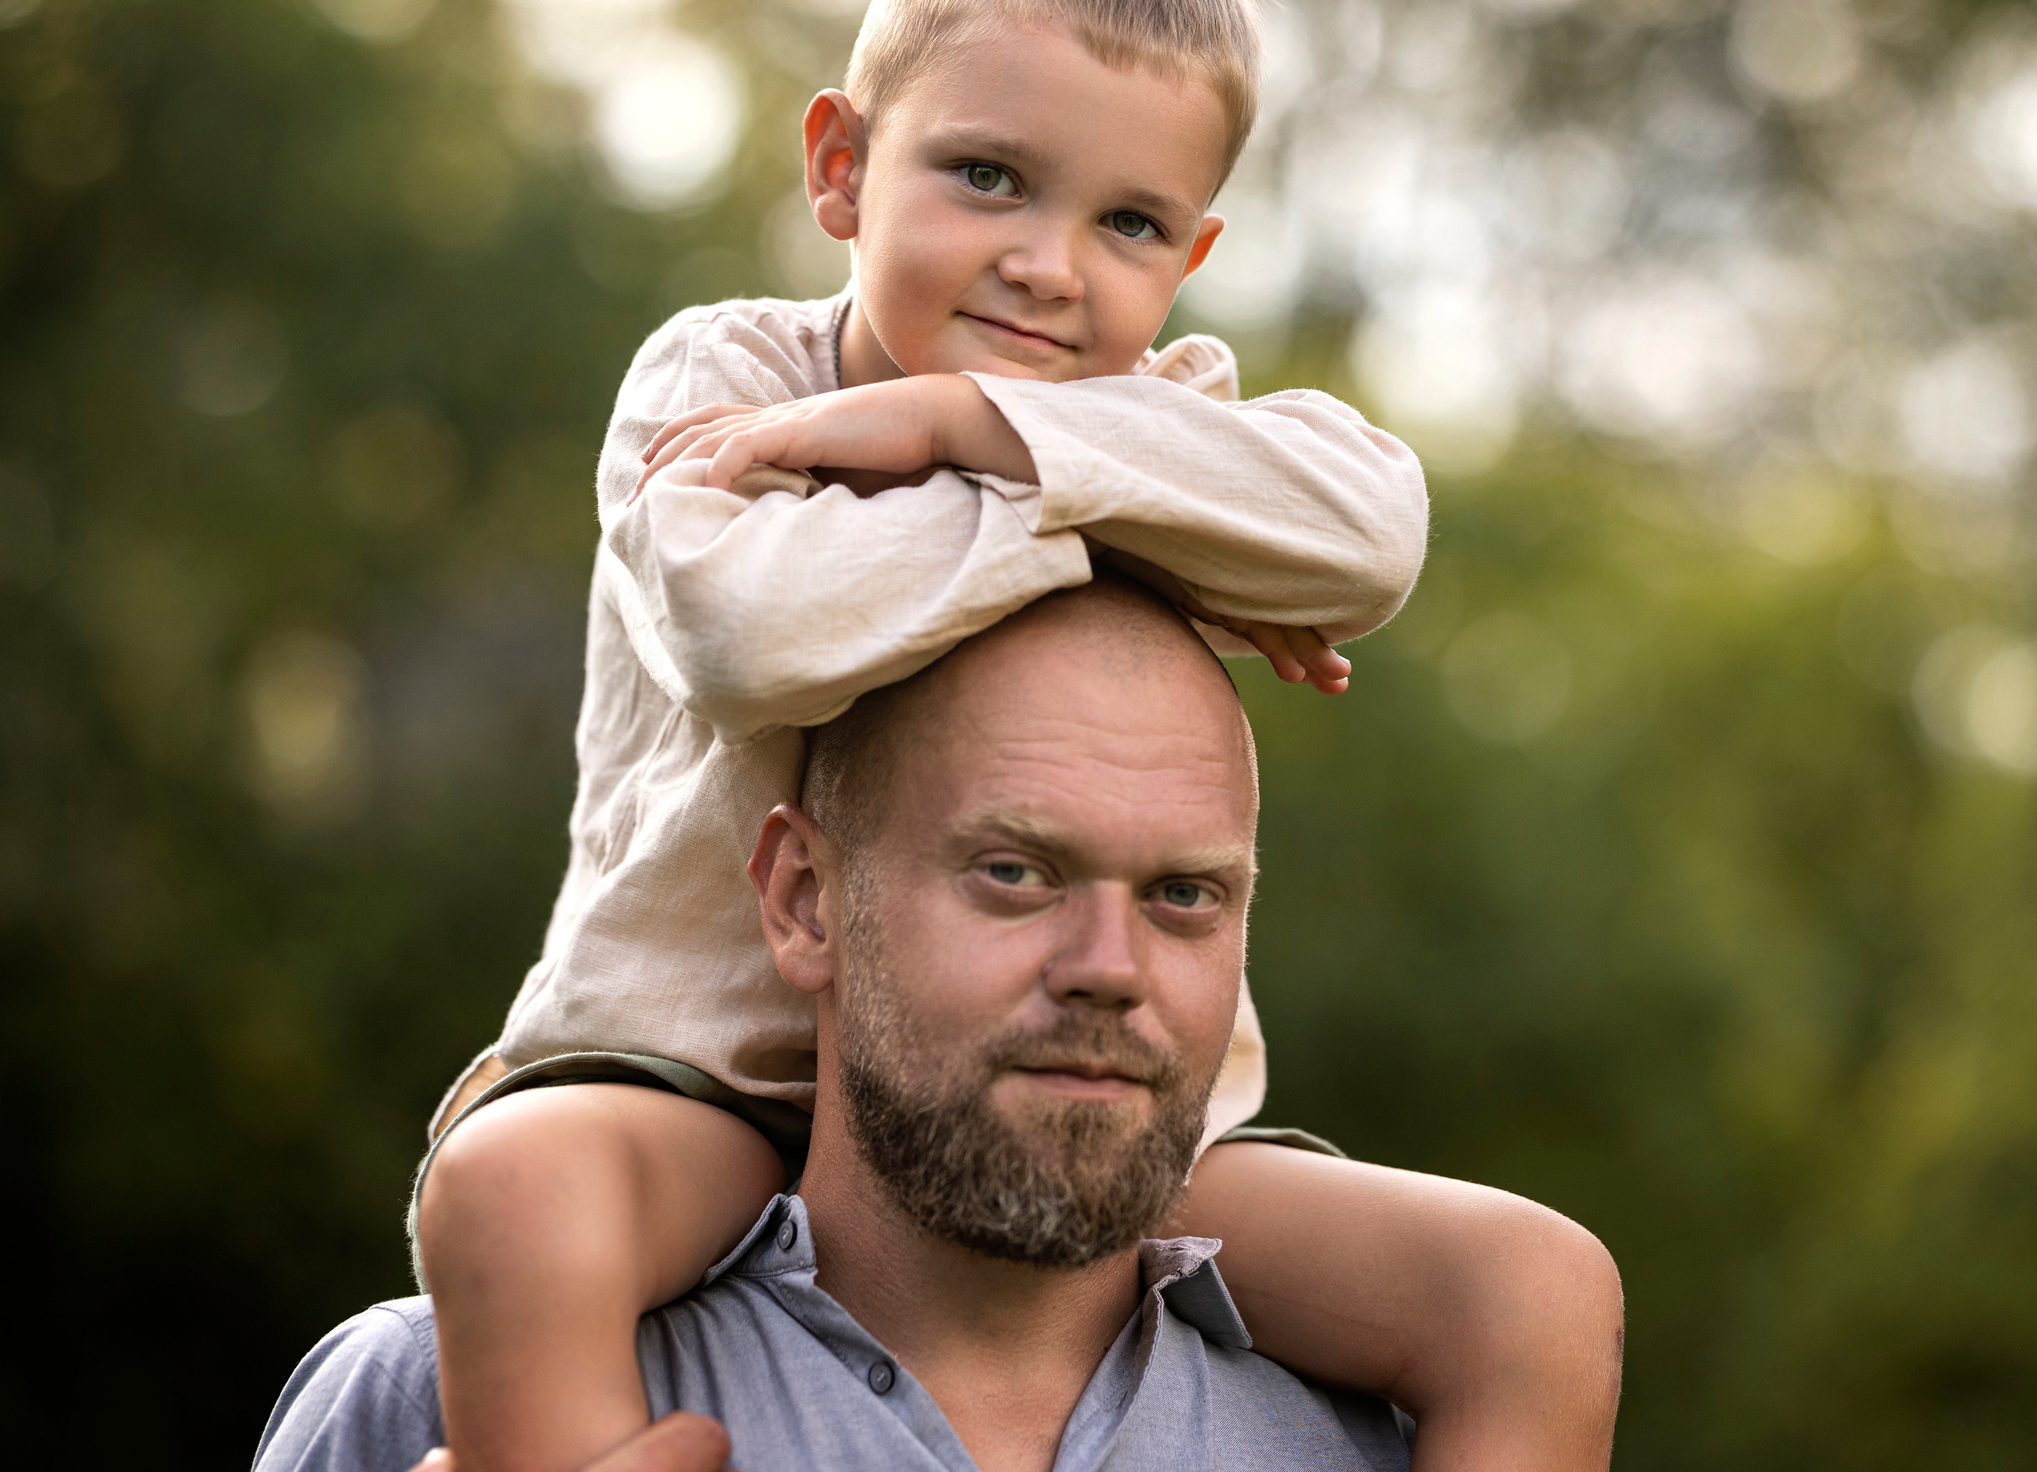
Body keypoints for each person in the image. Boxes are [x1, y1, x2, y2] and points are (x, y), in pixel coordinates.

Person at [410, 0, 1608, 1472]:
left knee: (1535, 1287)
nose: (1051, 266)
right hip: (683, 1079)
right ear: (842, 167)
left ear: (1191, 251)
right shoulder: (728, 377)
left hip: (1064, 1117)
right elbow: (751, 626)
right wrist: (1116, 523)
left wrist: (961, 430)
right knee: (507, 1191)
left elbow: (1376, 539)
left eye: (1127, 222)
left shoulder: (1152, 405)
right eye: (987, 177)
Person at [258, 580, 1622, 1472]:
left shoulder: (1390, 1446)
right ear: (804, 899)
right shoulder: (444, 1404)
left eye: (1185, 896)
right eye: (1014, 874)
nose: (1109, 968)